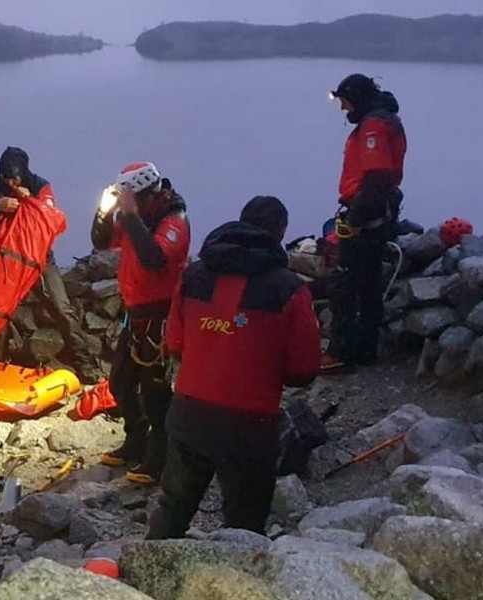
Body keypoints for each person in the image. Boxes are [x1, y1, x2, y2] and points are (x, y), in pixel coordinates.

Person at [147, 196, 321, 539]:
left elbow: (175, 346)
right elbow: (303, 370)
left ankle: (138, 583)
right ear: (281, 232)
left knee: (174, 508)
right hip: (249, 425)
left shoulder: (194, 275)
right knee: (245, 524)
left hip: (188, 415)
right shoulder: (289, 289)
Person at [0, 147, 104, 384]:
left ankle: (85, 364)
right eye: (5, 178)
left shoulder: (41, 187)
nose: (9, 182)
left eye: (13, 177)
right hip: (3, 259)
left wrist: (28, 200)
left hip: (38, 258)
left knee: (62, 308)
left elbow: (50, 218)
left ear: (24, 173)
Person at [91, 162, 190, 485]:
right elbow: (103, 242)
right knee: (120, 380)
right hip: (135, 315)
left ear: (147, 194)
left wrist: (131, 215)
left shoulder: (174, 219)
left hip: (161, 316)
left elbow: (154, 258)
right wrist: (105, 212)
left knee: (156, 391)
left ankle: (159, 458)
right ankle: (136, 438)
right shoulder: (136, 218)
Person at [325, 74, 407, 369]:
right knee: (369, 286)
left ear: (356, 98)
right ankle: (365, 350)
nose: (344, 110)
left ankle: (342, 353)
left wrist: (356, 218)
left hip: (367, 215)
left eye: (345, 102)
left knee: (345, 285)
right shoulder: (383, 120)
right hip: (377, 212)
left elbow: (376, 176)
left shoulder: (373, 126)